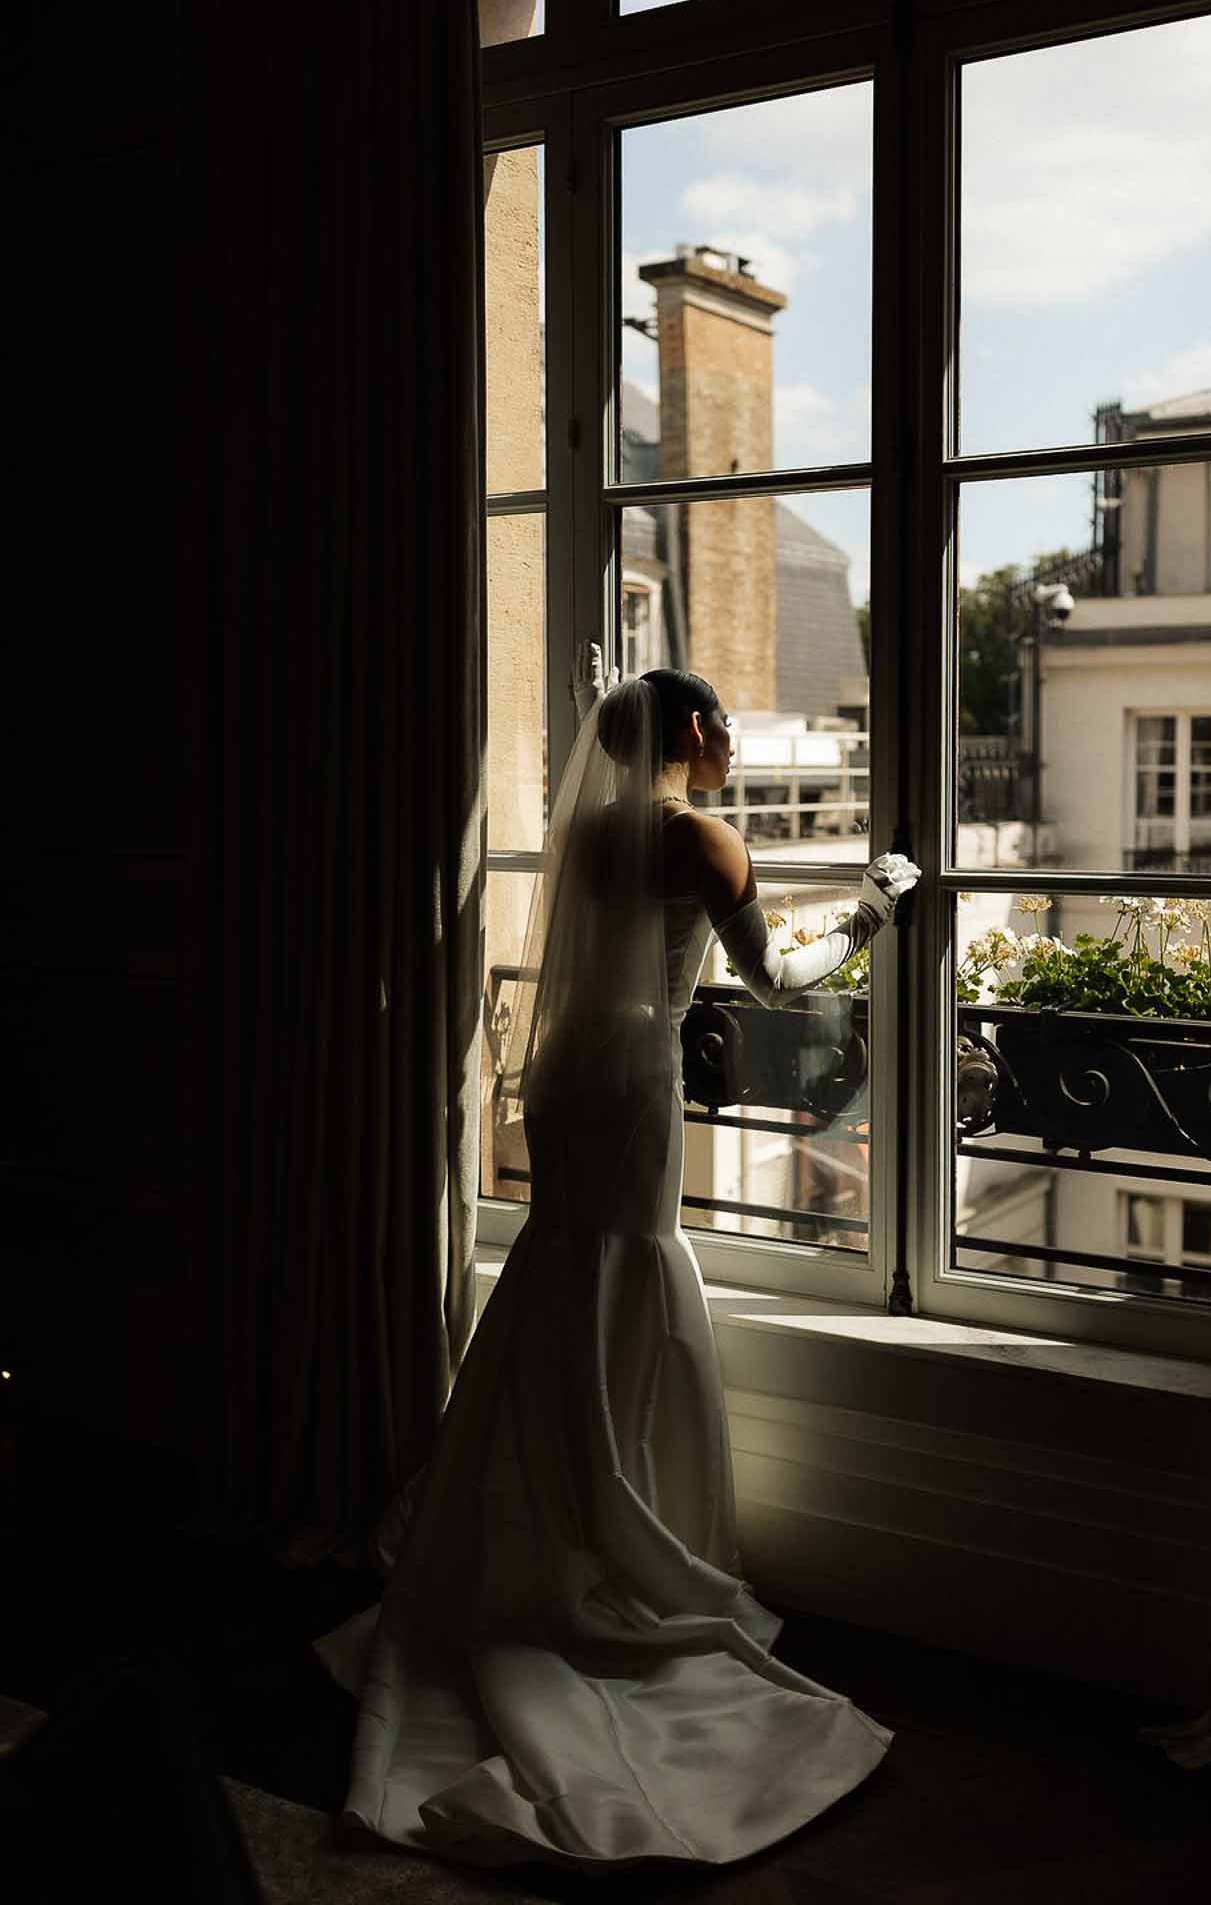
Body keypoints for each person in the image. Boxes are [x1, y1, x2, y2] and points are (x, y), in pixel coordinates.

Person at [314, 646, 919, 1874]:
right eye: (728, 726)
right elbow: (777, 976)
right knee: (630, 1275)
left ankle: (544, 1511)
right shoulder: (702, 838)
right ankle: (612, 1521)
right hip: (638, 1086)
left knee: (562, 1274)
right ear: (691, 728)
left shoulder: (593, 830)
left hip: (574, 1075)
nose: (738, 743)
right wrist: (875, 900)